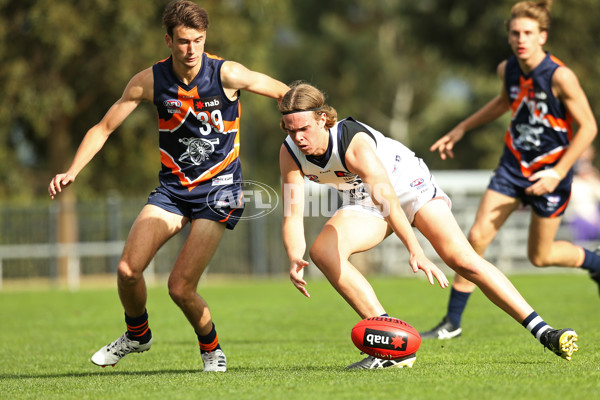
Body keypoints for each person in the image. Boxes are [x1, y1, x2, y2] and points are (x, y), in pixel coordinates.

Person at [48, 0, 289, 372]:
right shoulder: (149, 81)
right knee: (128, 271)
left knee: (179, 287)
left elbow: (285, 95)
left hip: (220, 190)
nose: (191, 49)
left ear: (205, 38)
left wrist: (315, 123)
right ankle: (137, 334)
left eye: (198, 40)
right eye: (182, 41)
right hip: (173, 190)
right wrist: (73, 170)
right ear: (168, 40)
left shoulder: (227, 74)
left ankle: (211, 350)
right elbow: (104, 128)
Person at [278, 81, 578, 370]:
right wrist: (294, 256)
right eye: (291, 131)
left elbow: (392, 202)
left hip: (408, 186)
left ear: (322, 120)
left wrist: (415, 249)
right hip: (363, 200)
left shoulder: (353, 145)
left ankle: (545, 332)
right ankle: (392, 348)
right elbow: (292, 213)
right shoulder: (291, 153)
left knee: (462, 260)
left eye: (304, 128)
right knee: (323, 252)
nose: (299, 137)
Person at [423, 0, 599, 341]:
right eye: (515, 33)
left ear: (542, 36)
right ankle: (452, 323)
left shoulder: (560, 76)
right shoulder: (509, 70)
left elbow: (589, 127)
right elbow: (504, 102)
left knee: (541, 255)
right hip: (512, 166)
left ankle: (596, 263)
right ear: (509, 37)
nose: (521, 39)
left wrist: (556, 173)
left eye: (529, 33)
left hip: (551, 172)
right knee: (475, 238)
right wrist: (461, 128)